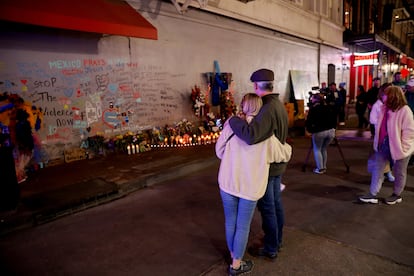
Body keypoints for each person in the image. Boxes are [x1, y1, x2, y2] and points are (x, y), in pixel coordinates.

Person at [215, 93, 292, 275]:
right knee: (243, 225)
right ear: (260, 109)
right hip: (250, 187)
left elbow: (219, 151)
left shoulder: (230, 126)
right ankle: (236, 264)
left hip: (228, 182)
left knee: (230, 222)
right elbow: (283, 154)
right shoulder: (266, 136)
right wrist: (287, 146)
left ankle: (234, 253)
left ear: (242, 106)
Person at [228, 68, 289, 260]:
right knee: (275, 205)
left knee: (268, 207)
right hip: (277, 164)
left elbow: (251, 135)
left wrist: (233, 121)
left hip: (269, 167)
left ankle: (271, 246)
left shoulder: (268, 108)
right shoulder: (277, 104)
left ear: (256, 86)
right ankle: (276, 240)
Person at [359, 85, 414, 205]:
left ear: (393, 96)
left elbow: (409, 132)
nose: (383, 96)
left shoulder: (405, 110)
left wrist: (403, 149)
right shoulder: (384, 108)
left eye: (386, 94)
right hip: (383, 145)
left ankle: (396, 194)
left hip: (400, 148)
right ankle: (372, 193)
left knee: (399, 172)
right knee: (377, 169)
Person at [305, 93, 337, 174]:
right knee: (323, 148)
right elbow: (334, 119)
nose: (311, 100)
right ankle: (323, 166)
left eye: (312, 98)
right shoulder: (329, 107)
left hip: (319, 131)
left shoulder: (314, 109)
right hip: (331, 131)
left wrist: (310, 130)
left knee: (317, 149)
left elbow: (309, 121)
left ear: (316, 99)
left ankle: (320, 168)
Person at [369, 83, 395, 182]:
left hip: (390, 134)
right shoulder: (378, 105)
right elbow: (372, 120)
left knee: (389, 155)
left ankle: (386, 173)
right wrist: (382, 123)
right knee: (382, 155)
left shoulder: (391, 105)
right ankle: (383, 174)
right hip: (381, 135)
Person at [404, 78, 414, 166]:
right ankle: (410, 157)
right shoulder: (407, 93)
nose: (409, 88)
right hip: (408, 118)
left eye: (410, 87)